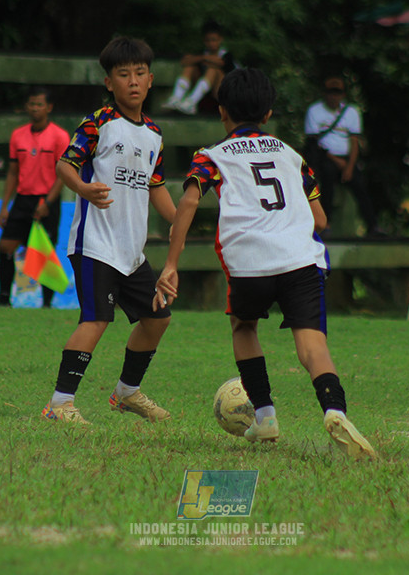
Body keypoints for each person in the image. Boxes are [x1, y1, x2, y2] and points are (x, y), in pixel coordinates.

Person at [155, 67, 376, 459]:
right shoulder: (292, 155)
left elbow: (189, 201)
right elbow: (320, 219)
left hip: (250, 263)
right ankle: (334, 410)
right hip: (300, 261)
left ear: (221, 111)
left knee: (243, 326)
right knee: (313, 345)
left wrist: (172, 263)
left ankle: (266, 415)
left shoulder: (212, 156)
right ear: (269, 114)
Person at [42, 36, 177, 424]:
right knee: (96, 319)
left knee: (158, 319)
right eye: (123, 74)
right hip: (95, 244)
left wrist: (179, 220)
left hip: (132, 253)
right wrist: (83, 187)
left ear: (150, 80)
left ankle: (127, 392)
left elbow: (156, 187)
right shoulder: (98, 123)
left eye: (139, 74)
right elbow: (65, 165)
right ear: (109, 83)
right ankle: (59, 404)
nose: (132, 81)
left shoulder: (154, 134)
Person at [0, 86, 71, 308]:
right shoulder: (18, 136)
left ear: (49, 107)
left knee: (45, 252)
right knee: (6, 246)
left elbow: (63, 174)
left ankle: (46, 305)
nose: (35, 108)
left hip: (47, 200)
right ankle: (3, 299)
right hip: (23, 199)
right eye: (32, 104)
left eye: (40, 104)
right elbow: (13, 173)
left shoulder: (60, 136)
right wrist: (4, 206)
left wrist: (48, 202)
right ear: (26, 106)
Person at [303, 76, 381, 237]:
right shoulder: (314, 111)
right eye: (331, 93)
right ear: (325, 94)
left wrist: (350, 166)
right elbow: (313, 143)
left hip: (346, 159)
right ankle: (326, 224)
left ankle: (373, 225)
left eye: (337, 93)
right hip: (325, 157)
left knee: (360, 185)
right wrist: (336, 161)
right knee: (327, 179)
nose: (334, 97)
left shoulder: (351, 112)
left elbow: (354, 142)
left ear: (342, 95)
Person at [161, 20, 238, 116]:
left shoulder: (226, 55)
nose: (211, 43)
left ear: (220, 40)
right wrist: (203, 58)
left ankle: (191, 101)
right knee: (190, 68)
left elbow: (221, 62)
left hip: (220, 96)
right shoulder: (202, 53)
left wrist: (204, 59)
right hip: (204, 95)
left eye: (214, 40)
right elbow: (184, 61)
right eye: (208, 40)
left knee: (213, 70)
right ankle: (176, 98)